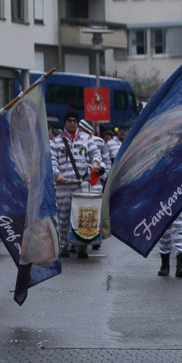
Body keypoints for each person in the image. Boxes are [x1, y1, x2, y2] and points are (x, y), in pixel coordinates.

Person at [51, 111, 103, 259]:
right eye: (69, 121)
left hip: (82, 184)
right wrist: (57, 174)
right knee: (63, 218)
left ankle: (82, 247)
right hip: (64, 185)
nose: (72, 123)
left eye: (74, 121)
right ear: (65, 123)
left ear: (78, 123)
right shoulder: (56, 141)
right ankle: (64, 246)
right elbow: (52, 160)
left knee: (83, 217)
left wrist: (95, 163)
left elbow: (96, 153)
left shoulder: (86, 139)